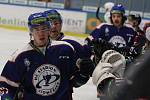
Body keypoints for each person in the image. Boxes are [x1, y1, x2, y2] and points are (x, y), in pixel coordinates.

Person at [0, 12, 94, 100]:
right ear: (31, 32)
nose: (41, 33)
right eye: (36, 29)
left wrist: (83, 74)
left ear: (49, 30)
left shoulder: (65, 49)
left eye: (44, 28)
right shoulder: (20, 56)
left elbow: (74, 82)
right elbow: (6, 84)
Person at [85, 4, 139, 98]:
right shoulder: (103, 27)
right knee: (105, 94)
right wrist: (92, 50)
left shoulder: (130, 30)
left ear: (123, 17)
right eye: (114, 16)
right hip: (107, 66)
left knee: (121, 93)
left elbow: (136, 48)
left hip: (123, 66)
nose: (116, 18)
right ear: (111, 17)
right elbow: (88, 41)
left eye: (118, 16)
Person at [43, 9, 94, 98]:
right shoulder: (37, 45)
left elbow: (79, 78)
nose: (53, 26)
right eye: (50, 23)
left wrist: (83, 74)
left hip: (63, 95)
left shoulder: (73, 43)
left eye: (56, 23)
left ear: (61, 24)